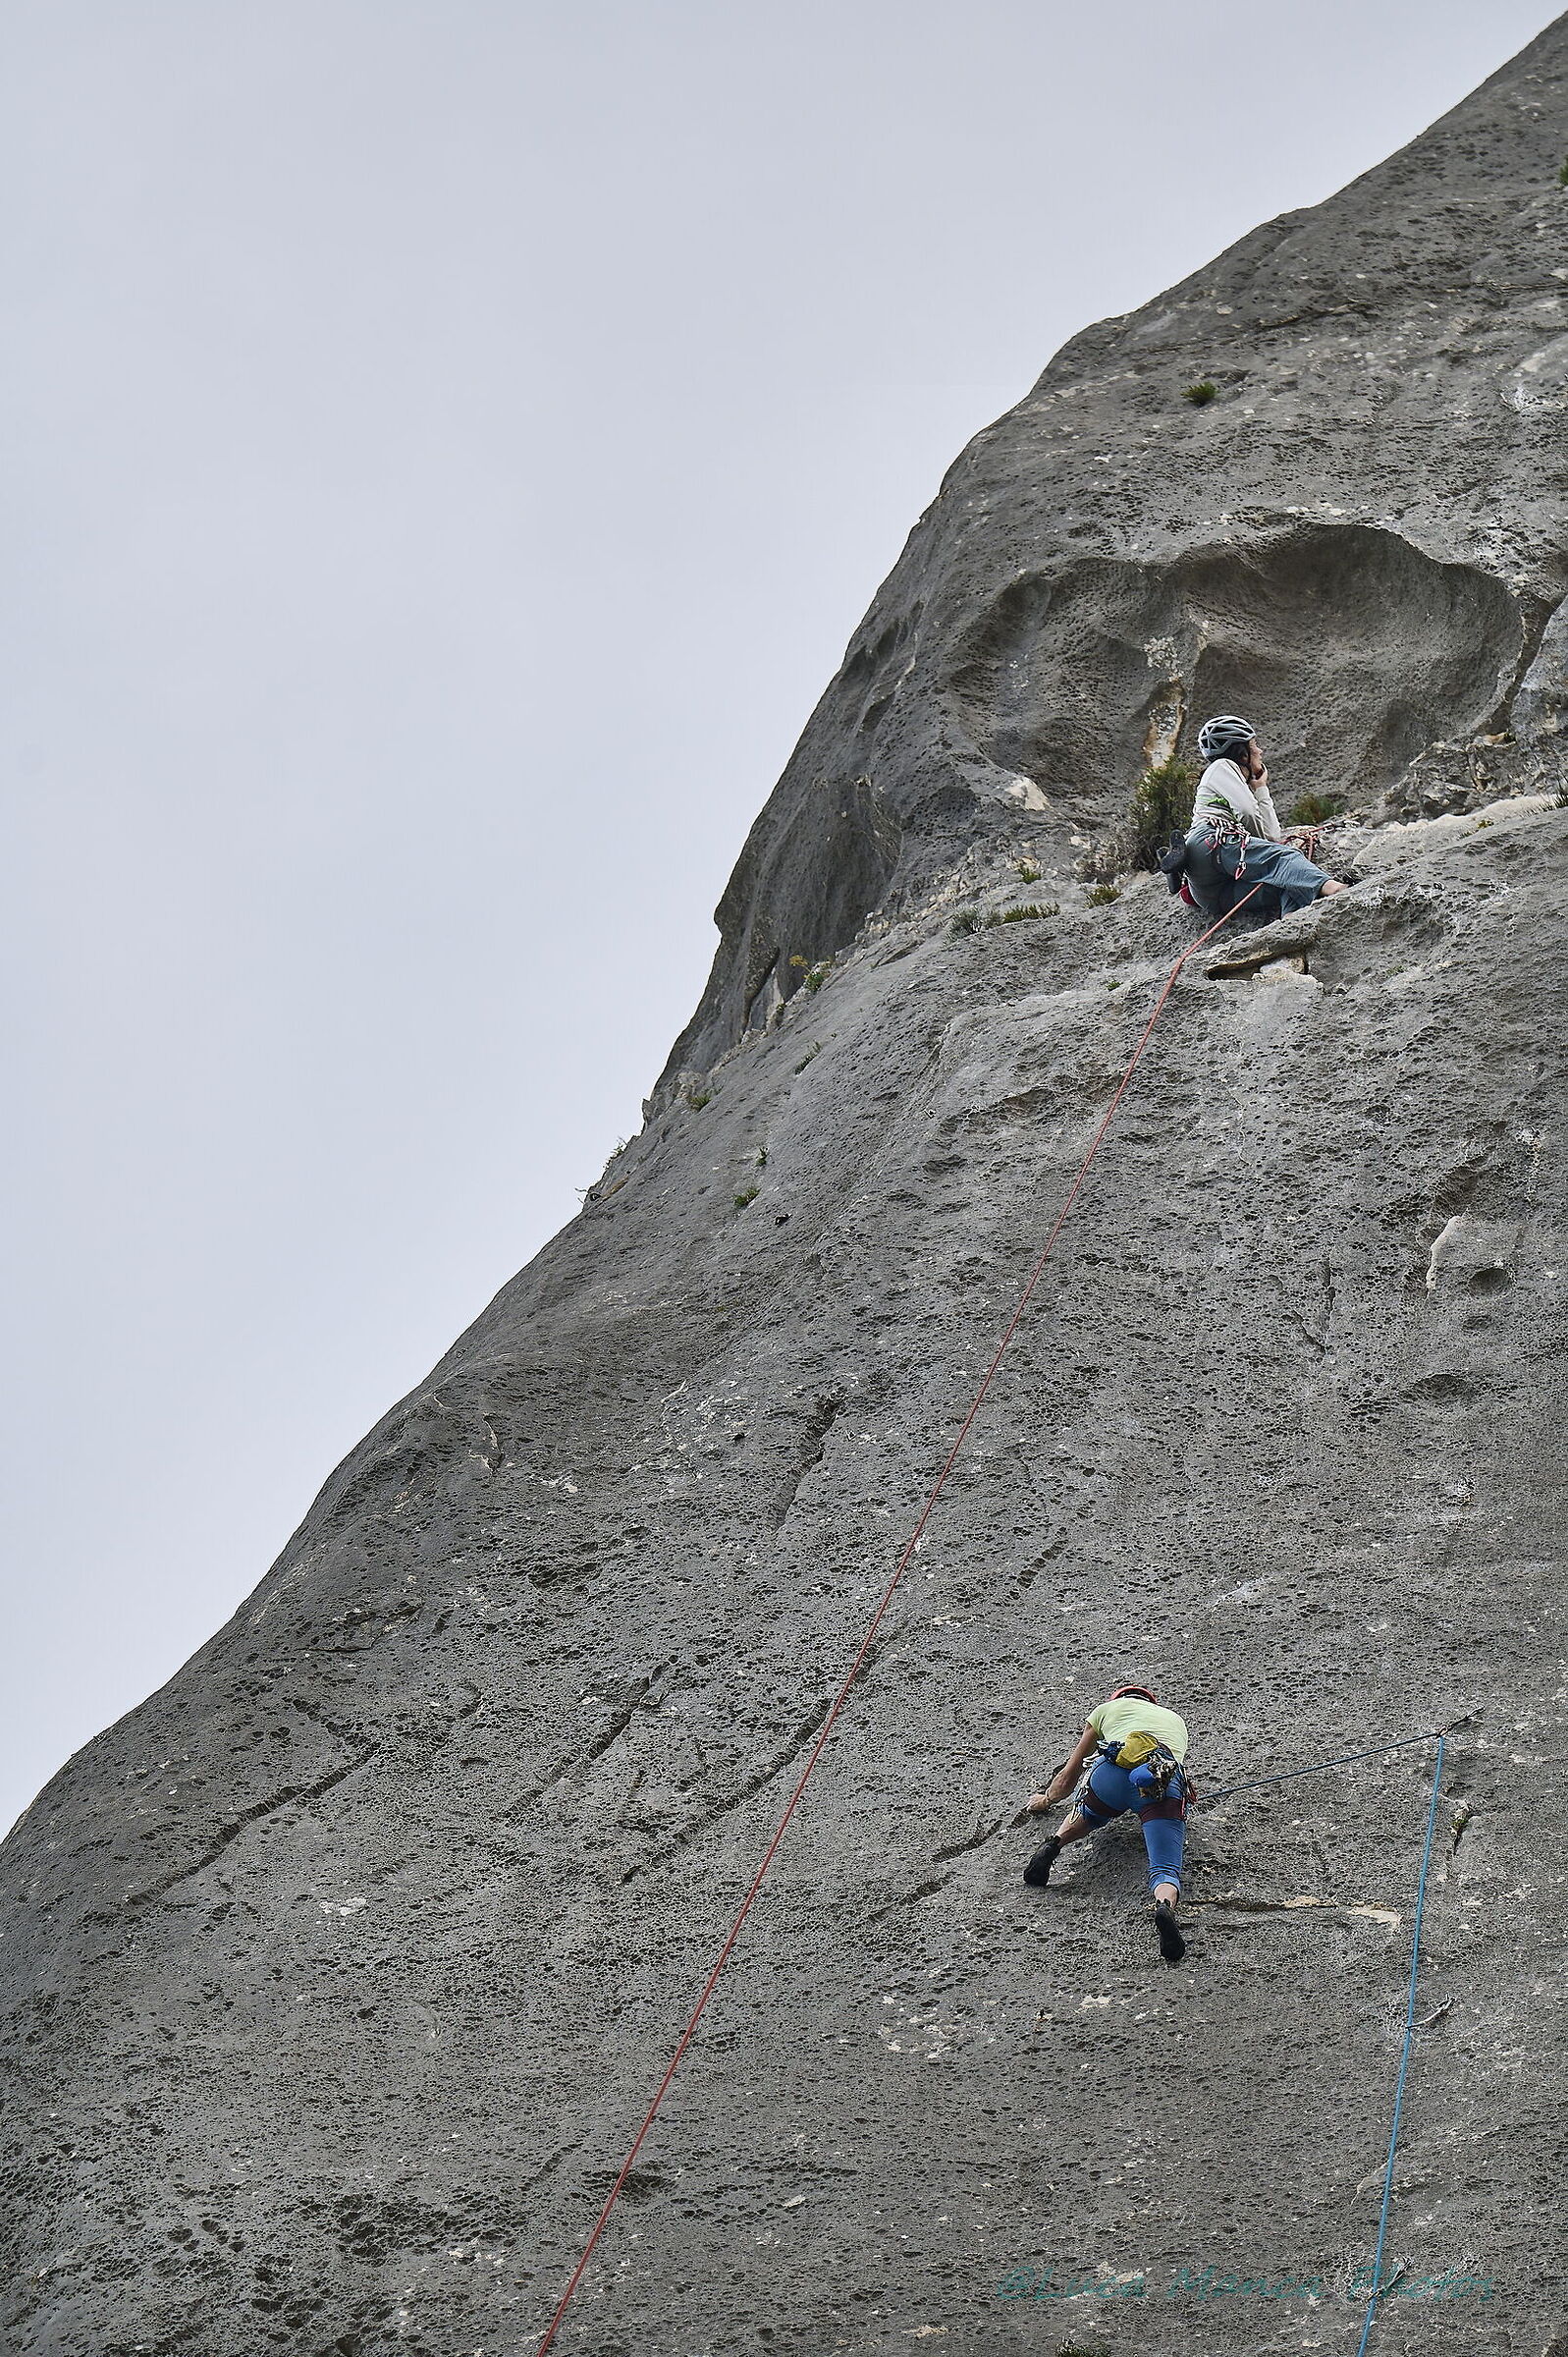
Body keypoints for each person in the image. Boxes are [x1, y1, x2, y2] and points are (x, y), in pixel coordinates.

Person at [1022, 1683, 1193, 1965]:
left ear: (1118, 1698)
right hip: (1157, 1782)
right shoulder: (1175, 1719)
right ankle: (1163, 1906)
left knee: (1089, 1813)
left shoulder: (1106, 1710)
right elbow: (1173, 1767)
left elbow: (1069, 1776)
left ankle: (1055, 1843)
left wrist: (1046, 1799)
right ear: (1152, 1703)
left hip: (1110, 1775)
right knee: (1164, 1869)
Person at [1179, 713, 1350, 922]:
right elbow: (1248, 812)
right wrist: (1270, 850)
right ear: (1242, 754)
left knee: (1289, 879)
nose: (1260, 751)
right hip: (1211, 840)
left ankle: (1292, 922)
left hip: (1215, 896)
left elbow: (1271, 836)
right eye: (1254, 744)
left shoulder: (1234, 783)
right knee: (1287, 858)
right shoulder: (1222, 766)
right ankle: (1337, 890)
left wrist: (1260, 789)